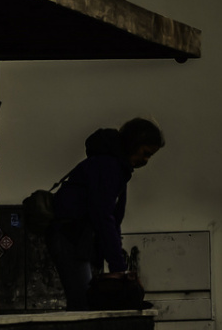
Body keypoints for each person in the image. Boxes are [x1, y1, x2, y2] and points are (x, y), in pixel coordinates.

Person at [48, 118, 165, 311]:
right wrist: (118, 267)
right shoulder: (109, 167)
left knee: (86, 304)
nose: (145, 161)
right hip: (72, 239)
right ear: (134, 143)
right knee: (84, 306)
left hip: (77, 239)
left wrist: (117, 263)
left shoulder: (114, 166)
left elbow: (110, 219)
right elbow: (104, 217)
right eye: (145, 153)